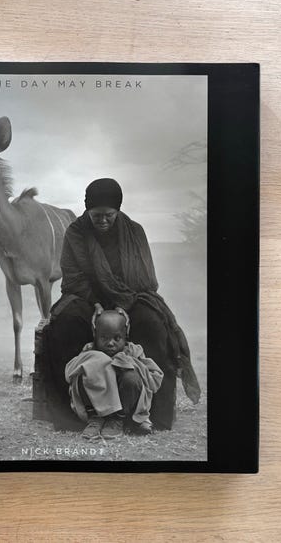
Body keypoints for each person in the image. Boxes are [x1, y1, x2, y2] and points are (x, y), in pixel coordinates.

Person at [44, 178, 200, 432]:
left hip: (130, 296)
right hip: (86, 297)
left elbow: (145, 279)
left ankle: (148, 414)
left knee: (152, 323)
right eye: (96, 215)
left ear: (118, 210)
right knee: (66, 322)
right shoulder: (76, 232)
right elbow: (72, 277)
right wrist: (96, 304)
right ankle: (72, 413)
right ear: (87, 210)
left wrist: (122, 308)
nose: (103, 220)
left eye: (109, 215)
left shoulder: (134, 232)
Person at [65, 309, 164, 439]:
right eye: (104, 338)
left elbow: (153, 375)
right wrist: (99, 361)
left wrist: (128, 363)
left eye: (117, 338)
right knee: (82, 373)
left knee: (132, 378)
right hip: (95, 402)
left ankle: (118, 420)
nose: (110, 343)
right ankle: (95, 419)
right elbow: (70, 372)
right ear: (95, 335)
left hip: (124, 404)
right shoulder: (90, 350)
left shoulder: (133, 350)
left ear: (125, 336)